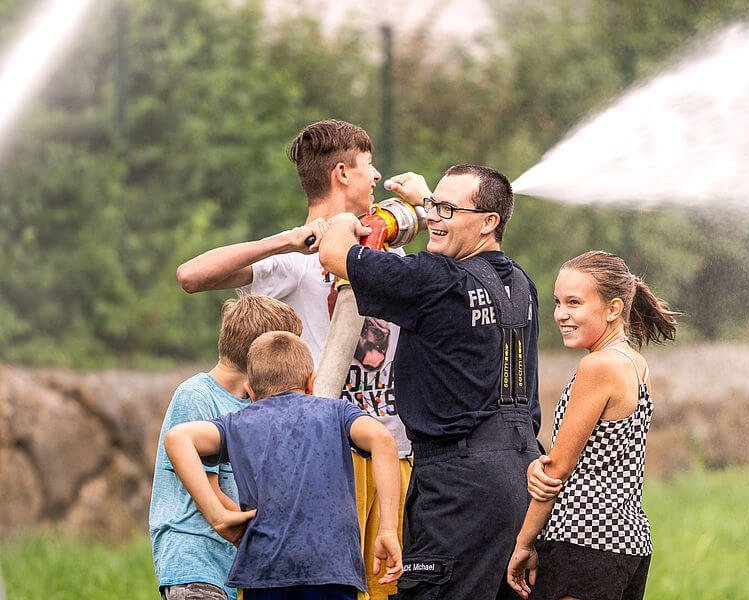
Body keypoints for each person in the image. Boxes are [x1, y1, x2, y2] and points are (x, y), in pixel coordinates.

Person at [175, 119, 412, 600]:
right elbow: (191, 276)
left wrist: (426, 209)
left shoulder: (390, 260)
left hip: (393, 449)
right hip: (324, 457)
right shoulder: (293, 262)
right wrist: (288, 240)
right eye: (368, 167)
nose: (376, 176)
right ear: (341, 173)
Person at [318, 164, 542, 599]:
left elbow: (333, 253)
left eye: (445, 209)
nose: (431, 217)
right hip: (521, 475)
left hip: (459, 485)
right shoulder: (520, 283)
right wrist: (434, 204)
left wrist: (345, 223)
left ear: (489, 222)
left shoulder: (433, 279)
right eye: (432, 206)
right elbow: (455, 240)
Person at [164, 330, 403, 600]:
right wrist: (386, 529)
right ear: (311, 383)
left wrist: (218, 517)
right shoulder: (336, 412)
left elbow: (177, 438)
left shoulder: (238, 423)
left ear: (250, 392)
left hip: (264, 572)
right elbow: (383, 440)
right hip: (331, 570)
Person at [506, 251, 681, 600]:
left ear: (614, 309)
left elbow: (559, 469)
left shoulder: (598, 367)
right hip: (628, 543)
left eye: (574, 303)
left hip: (584, 541)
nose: (561, 315)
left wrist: (523, 542)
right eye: (557, 302)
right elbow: (600, 457)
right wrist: (534, 466)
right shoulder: (635, 363)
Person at [149, 295, 304, 600]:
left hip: (231, 565)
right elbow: (213, 491)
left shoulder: (252, 404)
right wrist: (271, 531)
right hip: (195, 560)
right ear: (260, 356)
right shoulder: (196, 396)